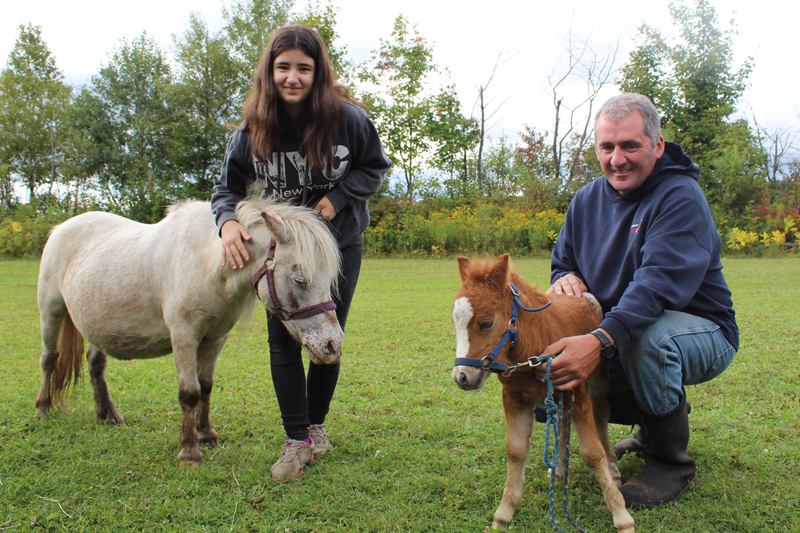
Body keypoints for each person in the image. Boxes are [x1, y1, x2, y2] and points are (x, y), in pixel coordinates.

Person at [537, 93, 738, 509]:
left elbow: (655, 286)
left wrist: (596, 342)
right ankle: (649, 427)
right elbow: (563, 262)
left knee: (649, 339)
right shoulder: (586, 200)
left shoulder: (680, 197)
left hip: (700, 330)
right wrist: (565, 277)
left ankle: (670, 463)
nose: (617, 159)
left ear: (657, 145)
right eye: (606, 147)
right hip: (621, 331)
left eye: (630, 145)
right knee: (574, 354)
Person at [210, 25, 391, 482]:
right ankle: (296, 440)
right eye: (284, 67)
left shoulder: (348, 119)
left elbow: (374, 165)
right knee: (283, 342)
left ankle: (316, 425)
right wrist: (227, 222)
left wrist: (341, 196)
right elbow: (226, 190)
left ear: (318, 72)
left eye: (304, 68)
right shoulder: (252, 130)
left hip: (338, 246)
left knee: (327, 338)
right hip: (283, 256)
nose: (293, 77)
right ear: (270, 72)